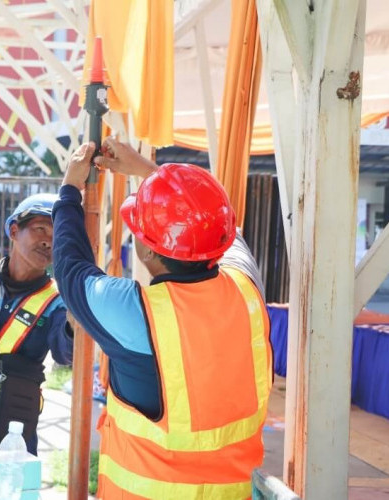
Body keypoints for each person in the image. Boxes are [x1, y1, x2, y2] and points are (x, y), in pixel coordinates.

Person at [52, 139, 272, 500]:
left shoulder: (136, 311)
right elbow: (215, 228)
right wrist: (151, 174)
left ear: (149, 249)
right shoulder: (245, 287)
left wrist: (69, 190)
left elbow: (70, 269)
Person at [0, 193, 74, 455]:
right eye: (40, 228)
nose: (47, 240)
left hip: (9, 438)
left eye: (57, 235)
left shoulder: (57, 302)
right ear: (14, 230)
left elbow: (67, 354)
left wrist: (76, 303)